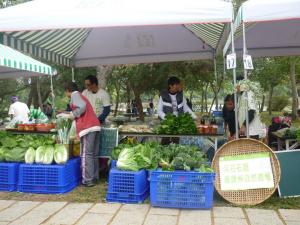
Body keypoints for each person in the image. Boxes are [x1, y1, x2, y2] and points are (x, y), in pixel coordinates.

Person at [64, 82, 101, 187]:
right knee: (93, 153)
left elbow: (82, 107)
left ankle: (87, 180)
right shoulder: (81, 95)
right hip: (95, 125)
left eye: (65, 92)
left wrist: (73, 114)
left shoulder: (75, 95)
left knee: (86, 154)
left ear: (68, 90)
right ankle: (94, 177)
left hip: (87, 127)